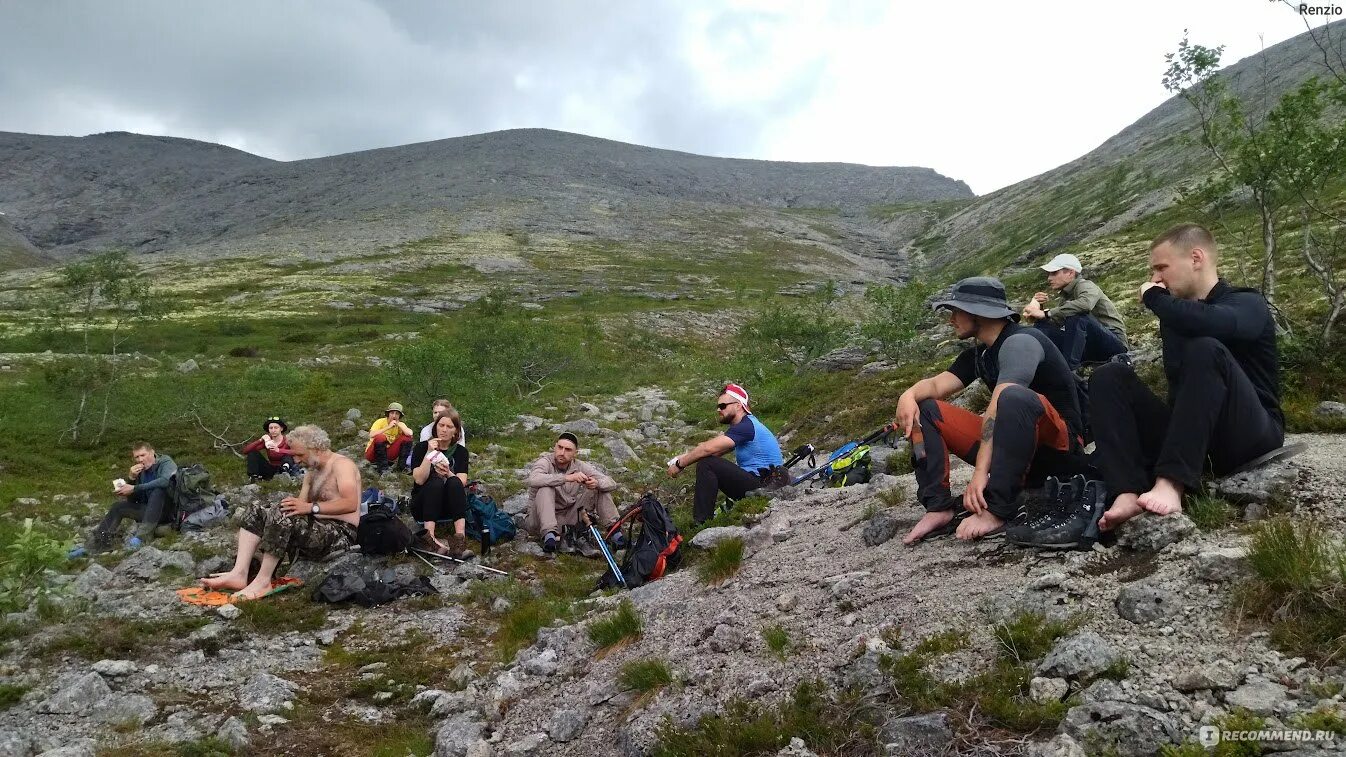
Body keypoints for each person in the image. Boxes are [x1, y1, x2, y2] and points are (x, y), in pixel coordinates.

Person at [1091, 224, 1284, 530]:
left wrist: (1155, 299)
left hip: (1250, 434)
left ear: (1196, 258)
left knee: (1206, 348)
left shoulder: (1247, 303)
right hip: (1197, 440)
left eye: (1161, 268)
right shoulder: (1177, 318)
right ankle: (1126, 491)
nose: (1155, 279)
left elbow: (1214, 324)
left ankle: (1171, 483)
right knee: (1108, 376)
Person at [896, 277, 1088, 544]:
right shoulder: (981, 354)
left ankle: (998, 508)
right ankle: (938, 507)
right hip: (1016, 448)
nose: (951, 319)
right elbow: (937, 384)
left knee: (1011, 396)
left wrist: (979, 475)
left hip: (1058, 450)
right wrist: (908, 396)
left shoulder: (1022, 341)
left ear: (979, 312)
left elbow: (998, 407)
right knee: (927, 409)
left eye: (956, 311)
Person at [202, 425, 360, 600]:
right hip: (316, 527)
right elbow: (300, 507)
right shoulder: (312, 472)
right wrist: (289, 508)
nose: (297, 461)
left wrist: (310, 508)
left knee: (282, 515)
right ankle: (239, 573)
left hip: (340, 533)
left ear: (316, 449)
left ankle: (263, 581)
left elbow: (350, 503)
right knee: (257, 508)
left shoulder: (342, 465)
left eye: (300, 455)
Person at [666, 383, 784, 524]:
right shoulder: (744, 427)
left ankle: (701, 523)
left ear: (738, 405)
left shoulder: (746, 426)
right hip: (761, 483)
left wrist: (680, 464)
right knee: (708, 462)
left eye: (723, 406)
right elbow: (715, 451)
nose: (718, 410)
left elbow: (707, 449)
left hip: (764, 486)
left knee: (707, 464)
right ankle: (703, 522)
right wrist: (685, 457)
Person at [1021, 253, 1129, 369]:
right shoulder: (1066, 296)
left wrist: (1047, 313)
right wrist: (1038, 308)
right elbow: (1055, 322)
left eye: (1054, 273)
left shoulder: (1086, 285)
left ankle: (1069, 370)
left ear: (1070, 273)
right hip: (1090, 347)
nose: (1049, 278)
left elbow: (1085, 305)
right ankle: (1043, 367)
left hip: (1114, 345)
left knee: (1078, 317)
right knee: (1042, 327)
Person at [524, 432, 619, 554]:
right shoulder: (545, 462)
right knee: (545, 488)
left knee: (598, 488)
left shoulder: (579, 465)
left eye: (568, 449)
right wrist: (566, 478)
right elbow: (533, 479)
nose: (562, 452)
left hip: (567, 517)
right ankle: (550, 538)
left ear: (575, 453)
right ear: (555, 447)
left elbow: (611, 482)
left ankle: (615, 533)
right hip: (538, 520)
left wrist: (597, 483)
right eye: (559, 447)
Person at [85, 442, 178, 552]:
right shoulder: (141, 472)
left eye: (143, 455)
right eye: (136, 457)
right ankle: (100, 544)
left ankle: (141, 538)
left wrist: (134, 487)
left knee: (158, 490)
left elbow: (165, 481)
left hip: (168, 511)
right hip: (149, 511)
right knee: (118, 507)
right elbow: (135, 500)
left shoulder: (165, 461)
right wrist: (131, 479)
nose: (140, 460)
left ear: (152, 452)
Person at [408, 410, 473, 560]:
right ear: (435, 427)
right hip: (423, 504)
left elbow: (462, 481)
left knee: (454, 481)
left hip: (448, 505)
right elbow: (419, 480)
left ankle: (459, 541)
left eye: (449, 427)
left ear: (456, 430)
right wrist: (429, 453)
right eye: (441, 425)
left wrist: (449, 473)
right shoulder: (421, 447)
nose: (444, 430)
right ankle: (428, 539)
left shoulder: (461, 452)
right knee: (435, 482)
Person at [405, 398, 468, 468]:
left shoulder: (459, 429)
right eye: (435, 412)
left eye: (441, 413)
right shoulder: (426, 430)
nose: (437, 415)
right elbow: (423, 452)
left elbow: (461, 450)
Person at [364, 402, 414, 474]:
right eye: (392, 413)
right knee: (380, 437)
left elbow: (410, 433)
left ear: (399, 416)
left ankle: (401, 467)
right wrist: (388, 427)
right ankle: (383, 469)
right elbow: (371, 434)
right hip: (372, 454)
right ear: (388, 414)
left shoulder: (400, 424)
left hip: (388, 454)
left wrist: (399, 424)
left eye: (397, 413)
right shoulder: (380, 421)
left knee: (407, 438)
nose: (394, 415)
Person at [242, 416, 296, 481]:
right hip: (271, 469)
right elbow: (246, 451)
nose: (273, 430)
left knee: (287, 456)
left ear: (281, 428)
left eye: (276, 428)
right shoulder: (268, 441)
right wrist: (260, 440)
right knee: (253, 453)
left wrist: (279, 450)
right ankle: (254, 476)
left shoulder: (288, 440)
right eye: (271, 428)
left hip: (286, 468)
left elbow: (296, 452)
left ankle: (285, 470)